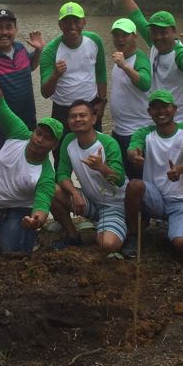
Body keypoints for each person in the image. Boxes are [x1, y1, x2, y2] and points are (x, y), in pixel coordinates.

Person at [0, 61, 60, 256]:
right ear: (33, 131)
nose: (40, 140)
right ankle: (2, 229)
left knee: (14, 251)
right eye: (39, 133)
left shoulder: (46, 174)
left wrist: (37, 220)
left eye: (47, 139)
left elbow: (42, 204)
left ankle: (23, 234)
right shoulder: (18, 132)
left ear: (54, 146)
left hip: (18, 209)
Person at [125, 91, 183, 260]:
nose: (160, 111)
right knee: (134, 185)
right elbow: (133, 148)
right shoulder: (144, 133)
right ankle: (134, 235)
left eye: (164, 106)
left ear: (175, 109)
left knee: (182, 244)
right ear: (149, 112)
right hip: (155, 196)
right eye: (155, 108)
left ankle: (179, 229)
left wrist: (179, 170)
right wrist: (135, 156)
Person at [112, 0, 183, 124]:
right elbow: (136, 16)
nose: (158, 37)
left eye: (164, 32)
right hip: (161, 115)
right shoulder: (155, 43)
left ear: (174, 31)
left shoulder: (179, 52)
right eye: (154, 32)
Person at [0, 8, 44, 190]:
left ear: (15, 29)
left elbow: (31, 66)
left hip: (28, 123)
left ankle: (20, 212)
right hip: (0, 128)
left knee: (24, 170)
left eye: (8, 27)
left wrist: (38, 51)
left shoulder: (20, 49)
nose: (4, 32)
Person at [50, 100, 128, 255]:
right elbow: (62, 174)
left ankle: (115, 225)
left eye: (82, 115)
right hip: (91, 201)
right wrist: (74, 193)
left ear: (93, 118)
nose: (78, 119)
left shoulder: (108, 143)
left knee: (107, 245)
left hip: (116, 204)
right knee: (49, 188)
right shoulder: (68, 141)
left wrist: (102, 168)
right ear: (68, 121)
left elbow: (119, 180)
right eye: (73, 116)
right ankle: (73, 236)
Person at [40, 1, 108, 137]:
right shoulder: (50, 51)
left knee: (93, 151)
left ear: (84, 22)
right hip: (63, 110)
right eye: (66, 22)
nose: (72, 27)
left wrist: (102, 101)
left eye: (76, 21)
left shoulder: (95, 41)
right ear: (59, 25)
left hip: (90, 105)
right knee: (61, 152)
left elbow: (101, 73)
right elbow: (45, 93)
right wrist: (55, 75)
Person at [108, 18, 152, 180]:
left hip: (136, 132)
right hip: (119, 130)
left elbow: (145, 83)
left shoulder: (139, 58)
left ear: (134, 36)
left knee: (138, 180)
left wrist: (125, 66)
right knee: (121, 178)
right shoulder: (119, 59)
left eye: (124, 35)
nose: (120, 39)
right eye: (116, 35)